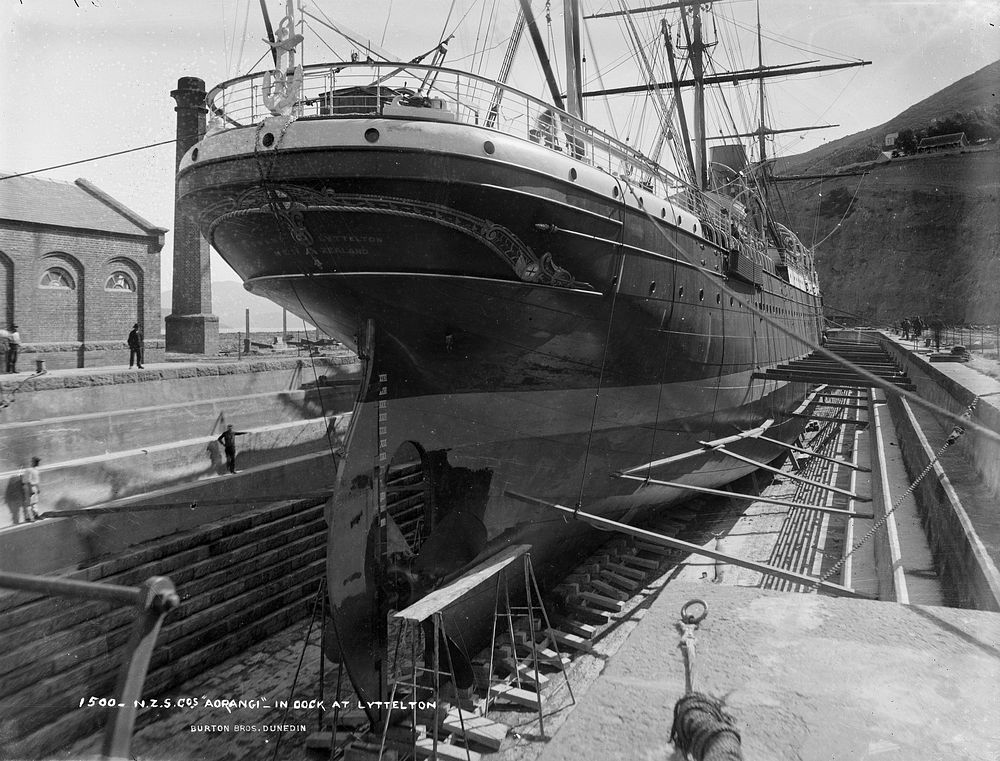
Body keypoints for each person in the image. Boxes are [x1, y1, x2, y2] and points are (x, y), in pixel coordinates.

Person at [20, 456, 42, 522]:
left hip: (31, 487)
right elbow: (31, 481)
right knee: (32, 503)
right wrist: (34, 489)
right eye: (35, 462)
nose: (36, 463)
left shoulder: (33, 470)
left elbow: (33, 481)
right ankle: (32, 516)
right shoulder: (32, 470)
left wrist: (36, 489)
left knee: (32, 502)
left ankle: (33, 516)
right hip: (31, 487)